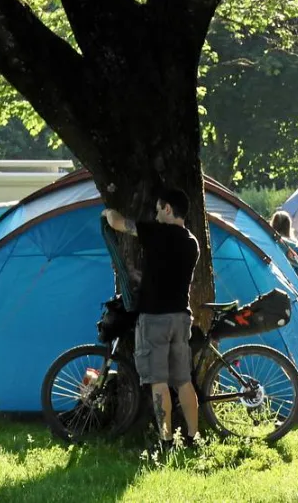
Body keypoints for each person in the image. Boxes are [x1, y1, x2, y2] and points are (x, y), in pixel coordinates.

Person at [102, 188, 200, 452]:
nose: (156, 215)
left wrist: (108, 211)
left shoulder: (156, 233)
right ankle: (194, 437)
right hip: (181, 319)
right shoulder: (192, 243)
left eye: (158, 209)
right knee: (183, 381)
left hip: (154, 318)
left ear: (168, 209)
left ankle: (166, 441)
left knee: (158, 382)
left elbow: (119, 224)